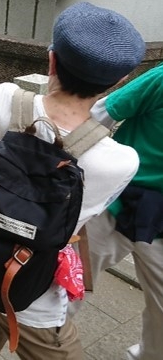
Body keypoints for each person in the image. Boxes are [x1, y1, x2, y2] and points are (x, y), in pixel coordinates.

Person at [0, 2, 145, 359]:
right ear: (117, 82)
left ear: (51, 60)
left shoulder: (0, 98)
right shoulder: (120, 161)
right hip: (32, 294)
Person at [83, 64, 163, 360]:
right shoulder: (161, 79)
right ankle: (48, 342)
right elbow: (99, 115)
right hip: (113, 203)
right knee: (70, 282)